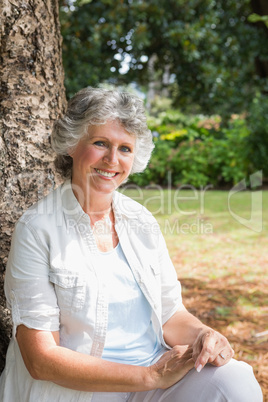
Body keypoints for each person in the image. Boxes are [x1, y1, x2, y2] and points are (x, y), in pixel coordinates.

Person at [0, 87, 263, 402]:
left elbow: (170, 315)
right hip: (82, 389)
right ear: (72, 145)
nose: (112, 159)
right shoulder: (37, 229)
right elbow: (40, 360)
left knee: (234, 382)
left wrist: (203, 335)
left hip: (153, 375)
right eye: (100, 143)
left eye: (125, 148)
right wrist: (151, 376)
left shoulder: (141, 221)